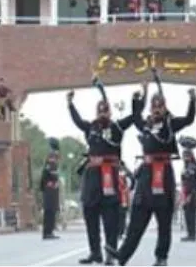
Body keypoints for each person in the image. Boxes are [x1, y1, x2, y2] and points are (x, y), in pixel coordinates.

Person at [106, 86, 196, 266]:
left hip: (164, 174)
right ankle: (123, 255)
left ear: (164, 107)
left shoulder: (171, 124)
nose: (156, 110)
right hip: (146, 175)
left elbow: (189, 119)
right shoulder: (145, 125)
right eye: (154, 107)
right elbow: (136, 117)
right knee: (136, 220)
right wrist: (137, 98)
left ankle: (161, 257)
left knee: (164, 222)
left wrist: (192, 100)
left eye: (160, 106)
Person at [66, 86, 138, 264]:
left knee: (110, 217)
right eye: (100, 111)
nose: (102, 114)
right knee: (90, 214)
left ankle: (110, 253)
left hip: (110, 175)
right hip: (92, 176)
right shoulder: (91, 126)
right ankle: (95, 252)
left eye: (105, 111)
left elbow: (134, 117)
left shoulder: (117, 127)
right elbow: (77, 121)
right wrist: (70, 104)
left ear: (110, 112)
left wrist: (137, 100)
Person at [179, 148, 196, 242]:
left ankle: (191, 235)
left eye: (185, 155)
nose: (183, 157)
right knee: (188, 215)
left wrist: (190, 196)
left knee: (190, 216)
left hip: (190, 194)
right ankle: (190, 234)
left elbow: (192, 183)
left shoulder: (191, 167)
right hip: (187, 193)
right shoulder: (188, 166)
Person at [39, 148, 61, 240]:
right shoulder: (49, 167)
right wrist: (50, 185)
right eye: (53, 157)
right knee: (49, 212)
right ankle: (47, 232)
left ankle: (50, 231)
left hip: (53, 193)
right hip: (49, 193)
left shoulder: (53, 166)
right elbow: (44, 180)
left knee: (52, 212)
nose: (54, 160)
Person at [116, 163, 135, 241]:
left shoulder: (123, 168)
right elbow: (132, 179)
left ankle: (120, 232)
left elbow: (132, 179)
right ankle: (120, 232)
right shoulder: (123, 168)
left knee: (121, 215)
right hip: (119, 196)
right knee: (120, 215)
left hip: (121, 196)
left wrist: (129, 189)